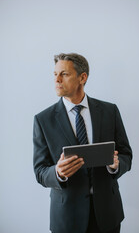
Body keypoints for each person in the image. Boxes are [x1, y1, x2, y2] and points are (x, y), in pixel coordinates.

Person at [33, 53, 132, 233]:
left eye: (64, 74)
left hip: (107, 215)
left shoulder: (109, 111)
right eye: (55, 74)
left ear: (82, 77)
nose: (57, 79)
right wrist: (58, 172)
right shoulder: (43, 120)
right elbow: (40, 171)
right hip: (67, 218)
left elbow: (126, 154)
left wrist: (116, 166)